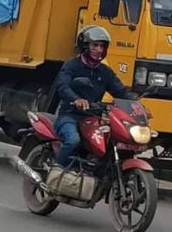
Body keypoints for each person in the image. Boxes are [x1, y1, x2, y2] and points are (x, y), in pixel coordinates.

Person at [53, 26, 132, 167]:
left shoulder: (104, 71)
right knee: (73, 140)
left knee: (108, 144)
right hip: (69, 116)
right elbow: (62, 87)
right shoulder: (71, 66)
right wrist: (76, 99)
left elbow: (120, 91)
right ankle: (55, 169)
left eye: (102, 46)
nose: (99, 50)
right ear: (85, 46)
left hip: (93, 118)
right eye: (95, 45)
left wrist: (136, 106)